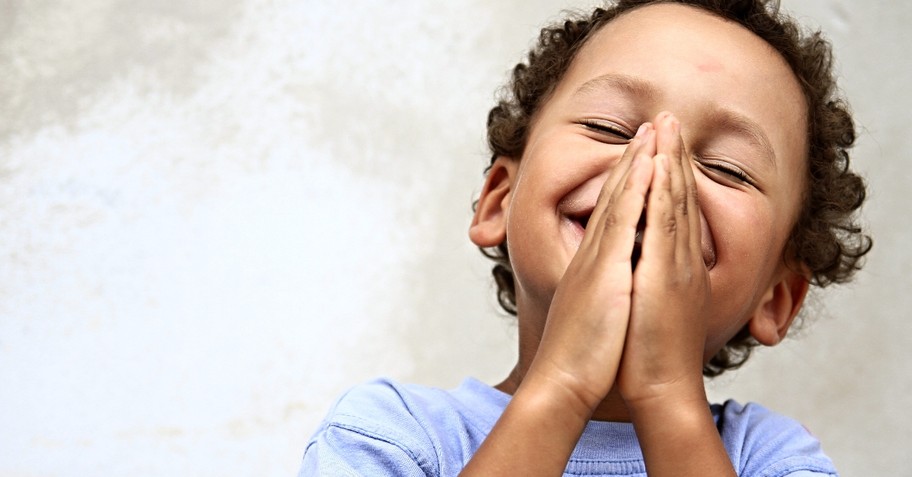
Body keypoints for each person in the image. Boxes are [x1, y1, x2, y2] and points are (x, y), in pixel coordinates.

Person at [299, 0, 871, 475]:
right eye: (609, 127)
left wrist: (667, 396)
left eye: (727, 168)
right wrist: (563, 387)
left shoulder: (771, 458)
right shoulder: (392, 435)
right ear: (499, 199)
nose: (654, 170)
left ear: (778, 298)